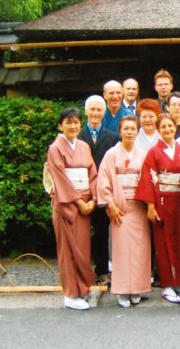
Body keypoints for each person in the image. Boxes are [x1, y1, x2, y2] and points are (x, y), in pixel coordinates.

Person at [135, 114, 180, 303]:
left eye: (170, 126)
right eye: (164, 127)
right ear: (159, 129)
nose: (167, 130)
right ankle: (167, 284)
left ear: (176, 128)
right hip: (162, 203)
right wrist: (150, 206)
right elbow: (148, 179)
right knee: (163, 244)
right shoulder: (153, 152)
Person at [97, 116, 151, 308]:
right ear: (120, 131)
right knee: (121, 250)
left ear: (137, 131)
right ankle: (122, 290)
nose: (129, 132)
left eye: (133, 129)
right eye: (126, 128)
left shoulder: (143, 154)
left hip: (138, 207)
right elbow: (103, 180)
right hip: (119, 207)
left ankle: (137, 288)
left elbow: (148, 180)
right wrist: (110, 204)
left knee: (139, 249)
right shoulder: (111, 154)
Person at [46, 107, 97, 310]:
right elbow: (60, 178)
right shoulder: (55, 148)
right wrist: (79, 202)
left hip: (85, 202)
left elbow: (92, 173)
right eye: (68, 122)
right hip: (67, 204)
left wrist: (93, 198)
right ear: (60, 126)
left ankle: (82, 289)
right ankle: (70, 294)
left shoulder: (84, 146)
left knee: (82, 249)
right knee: (68, 250)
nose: (73, 126)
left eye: (76, 122)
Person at [78, 95, 119, 286]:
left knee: (102, 232)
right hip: (81, 193)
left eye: (99, 110)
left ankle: (102, 271)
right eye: (92, 109)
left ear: (104, 112)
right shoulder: (77, 137)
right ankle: (81, 271)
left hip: (103, 191)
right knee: (81, 233)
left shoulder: (112, 137)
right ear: (86, 111)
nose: (95, 113)